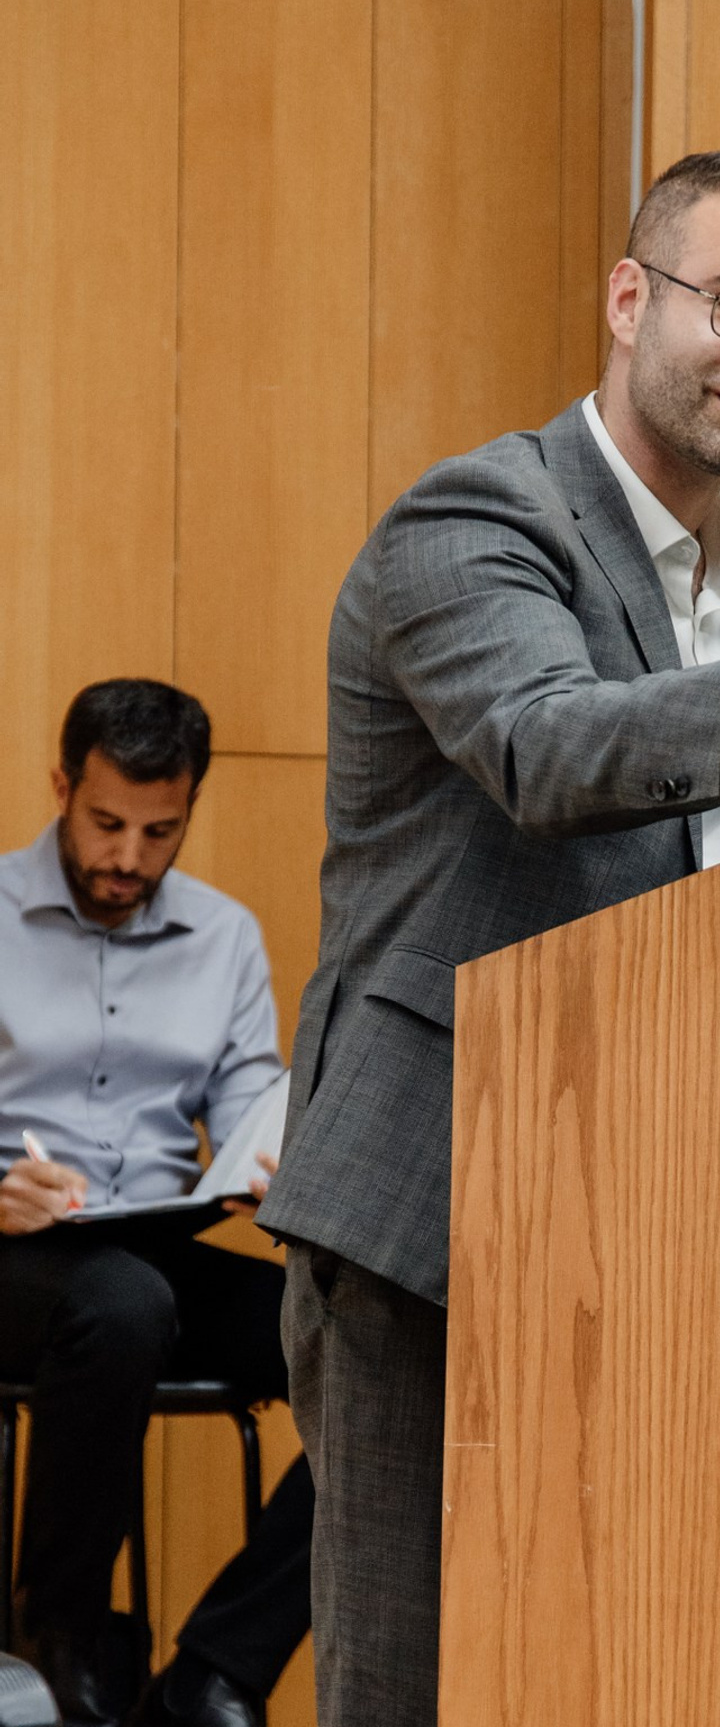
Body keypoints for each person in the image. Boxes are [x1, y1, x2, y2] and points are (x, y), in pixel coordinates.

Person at [258, 146, 720, 1725]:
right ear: (626, 298)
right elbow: (545, 747)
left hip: (656, 1231)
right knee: (414, 1686)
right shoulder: (476, 519)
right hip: (433, 1216)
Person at [0, 680, 315, 1727]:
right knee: (126, 1303)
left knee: (377, 1344)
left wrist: (267, 1161)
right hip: (17, 1250)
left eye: (159, 830)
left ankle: (218, 1670)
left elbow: (244, 1096)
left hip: (152, 1242)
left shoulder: (223, 938)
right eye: (105, 825)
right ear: (62, 787)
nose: (128, 857)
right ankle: (59, 1637)